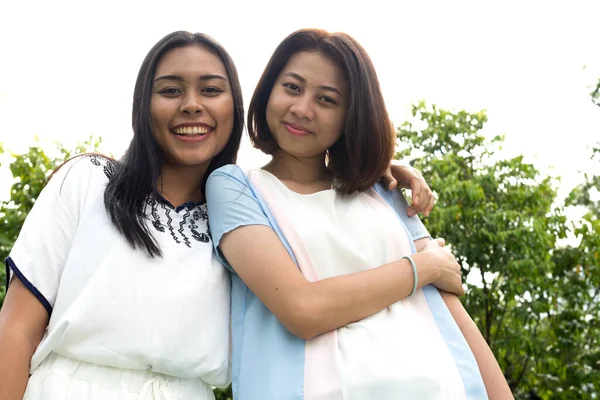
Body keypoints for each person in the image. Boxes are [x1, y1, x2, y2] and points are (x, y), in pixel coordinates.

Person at [0, 31, 434, 400]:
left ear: (236, 106)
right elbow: (16, 330)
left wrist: (381, 170)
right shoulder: (88, 182)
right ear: (143, 104)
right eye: (170, 90)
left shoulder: (248, 213)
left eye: (210, 90)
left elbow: (320, 226)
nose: (191, 105)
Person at [206, 29, 513, 399]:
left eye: (327, 99)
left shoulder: (384, 191)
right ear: (269, 89)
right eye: (292, 87)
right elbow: (302, 310)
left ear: (351, 115)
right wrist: (422, 268)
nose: (303, 109)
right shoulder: (236, 187)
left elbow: (449, 305)